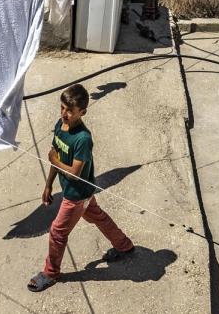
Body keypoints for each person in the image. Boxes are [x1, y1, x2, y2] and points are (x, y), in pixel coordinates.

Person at [28, 83, 134, 293]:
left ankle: (50, 273)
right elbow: (55, 156)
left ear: (82, 112)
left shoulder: (83, 139)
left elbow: (73, 172)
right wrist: (48, 185)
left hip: (77, 196)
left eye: (69, 111)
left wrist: (53, 160)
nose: (64, 114)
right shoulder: (60, 126)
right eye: (62, 108)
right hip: (78, 194)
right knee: (98, 217)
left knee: (57, 232)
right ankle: (125, 246)